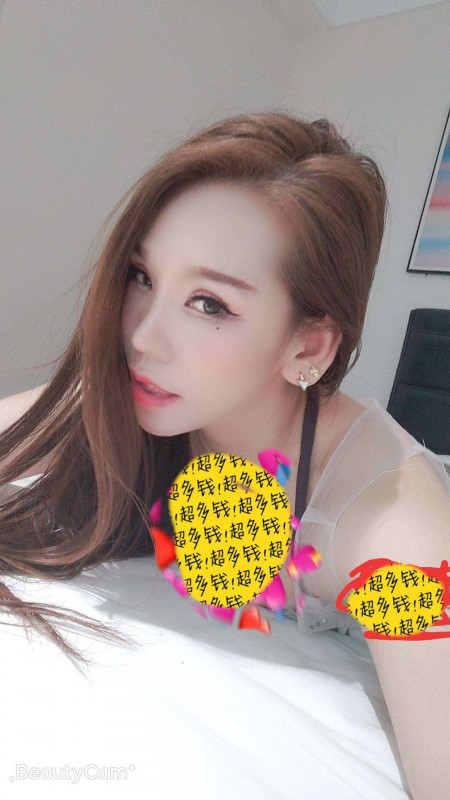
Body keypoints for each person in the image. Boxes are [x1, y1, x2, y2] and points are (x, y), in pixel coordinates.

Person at [0, 110, 448, 799]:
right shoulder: (146, 394)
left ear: (308, 346)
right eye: (142, 275)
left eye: (209, 304)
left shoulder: (390, 528)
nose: (143, 336)